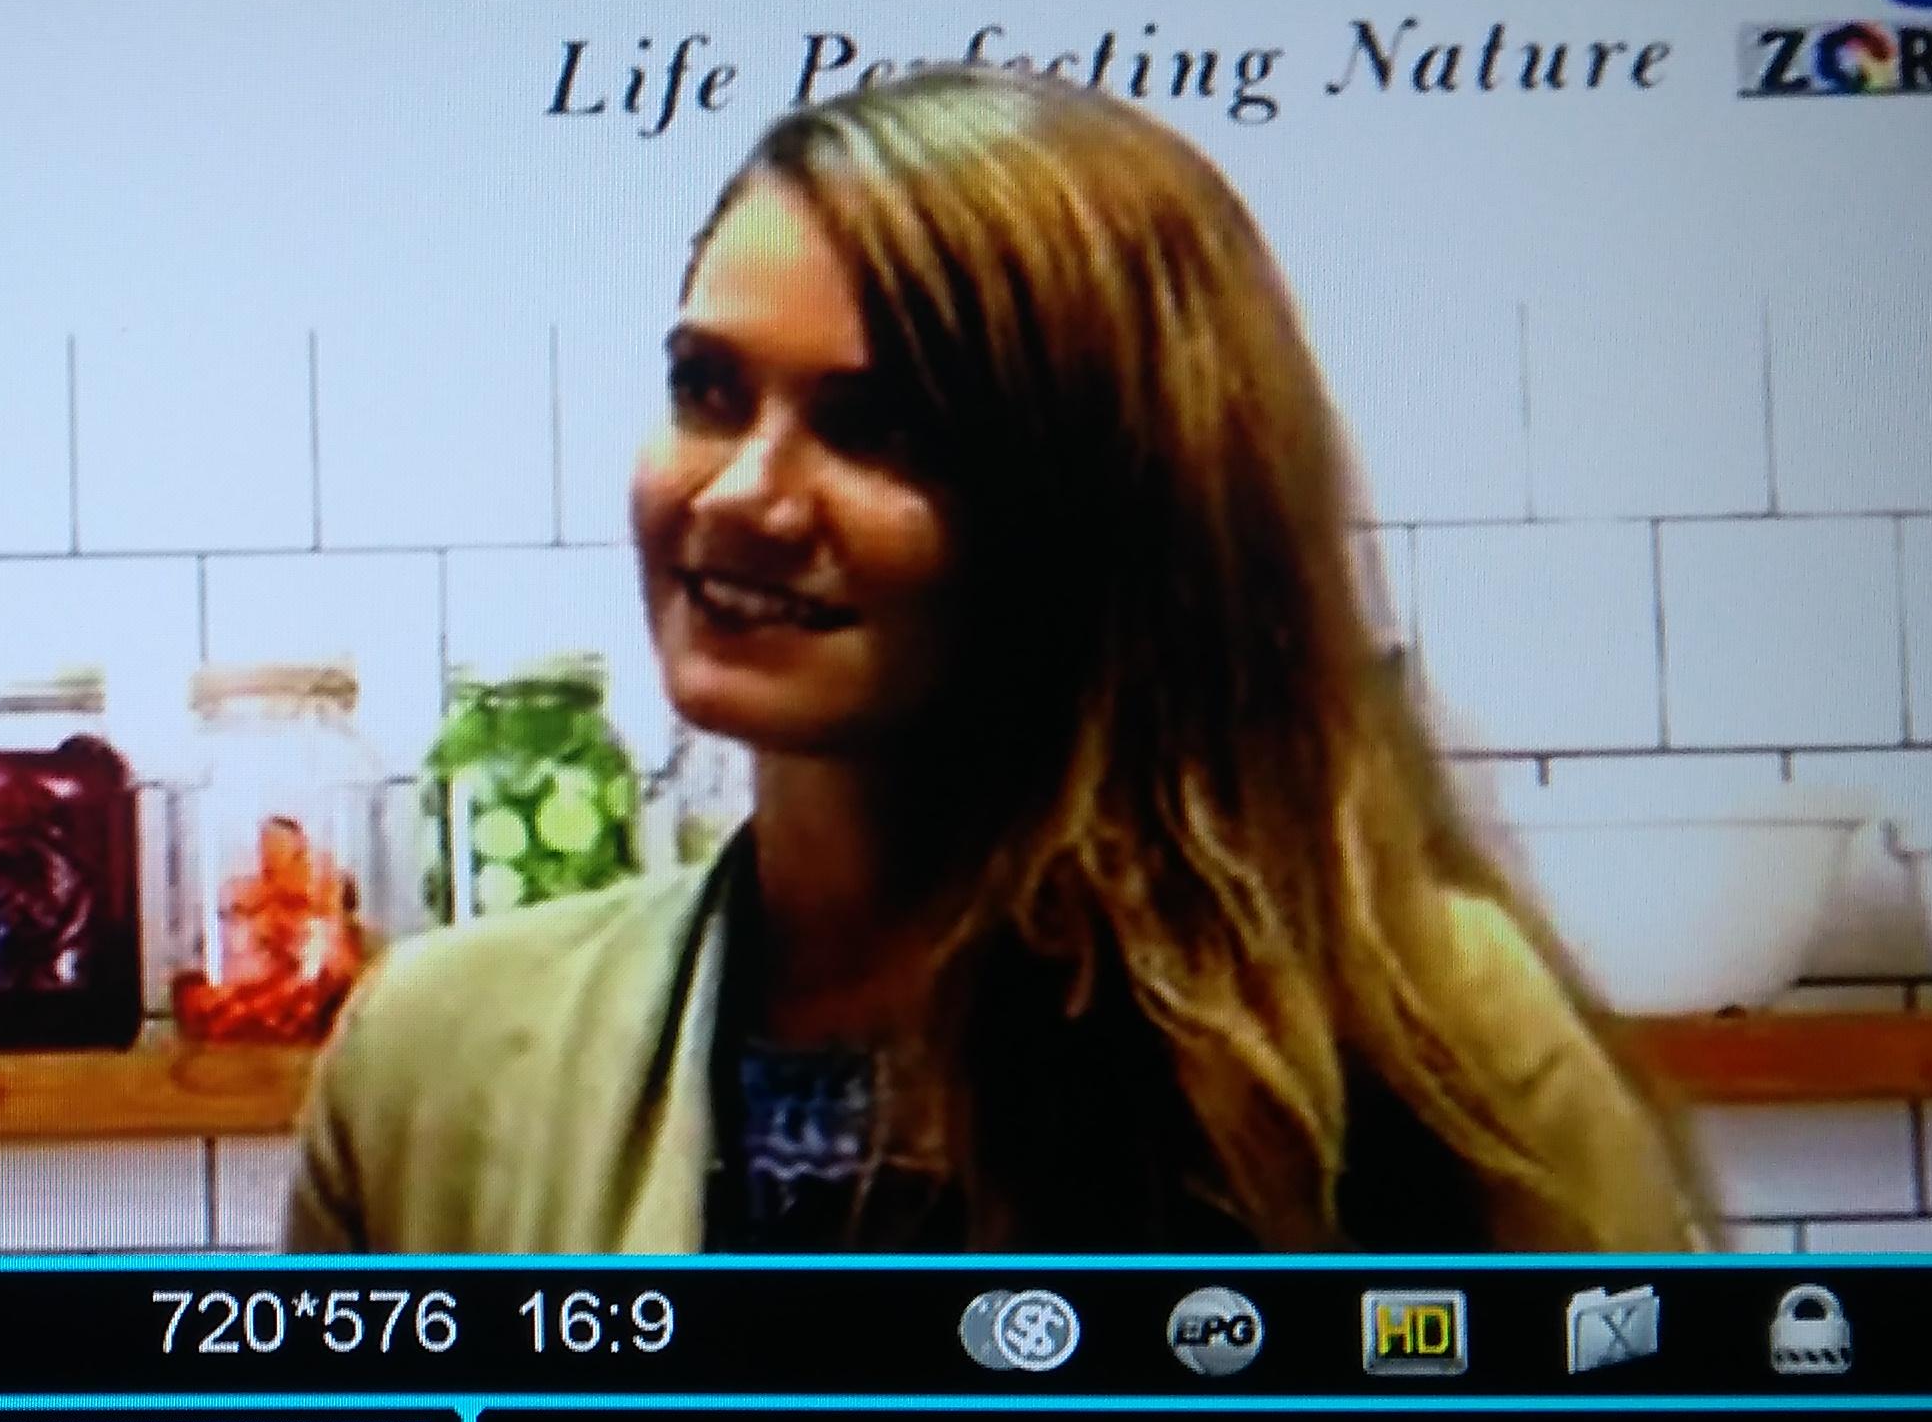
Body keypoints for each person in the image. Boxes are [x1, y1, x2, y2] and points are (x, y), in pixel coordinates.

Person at [289, 69, 1697, 1255]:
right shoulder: (440, 1063)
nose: (744, 495)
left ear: (1112, 504)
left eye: (878, 427)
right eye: (708, 391)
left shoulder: (1417, 1029)